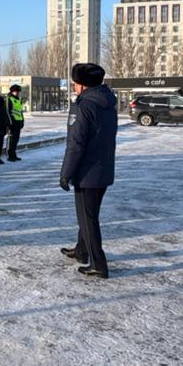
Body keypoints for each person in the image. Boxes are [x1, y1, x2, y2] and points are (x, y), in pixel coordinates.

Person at [58, 62, 117, 279]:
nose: (74, 86)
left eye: (75, 82)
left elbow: (76, 143)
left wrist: (66, 173)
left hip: (87, 173)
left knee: (88, 219)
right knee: (89, 215)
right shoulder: (107, 102)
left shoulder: (84, 106)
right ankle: (82, 250)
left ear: (82, 85)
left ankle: (98, 264)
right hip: (103, 168)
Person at [6, 84, 25, 161]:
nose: (17, 93)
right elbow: (7, 112)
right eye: (15, 92)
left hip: (18, 122)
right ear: (12, 92)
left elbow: (20, 111)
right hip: (12, 123)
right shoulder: (9, 99)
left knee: (16, 140)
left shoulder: (19, 100)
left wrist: (22, 121)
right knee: (11, 140)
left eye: (18, 92)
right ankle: (10, 155)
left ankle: (14, 154)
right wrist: (10, 123)